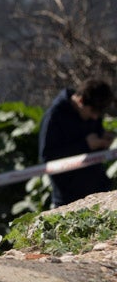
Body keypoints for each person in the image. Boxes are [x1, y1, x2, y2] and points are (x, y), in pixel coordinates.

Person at [39, 78, 115, 208]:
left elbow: (95, 134)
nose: (95, 117)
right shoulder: (54, 116)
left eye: (99, 113)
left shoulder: (93, 108)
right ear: (80, 101)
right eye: (93, 112)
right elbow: (47, 158)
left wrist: (103, 140)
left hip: (98, 190)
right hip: (68, 199)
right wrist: (86, 145)